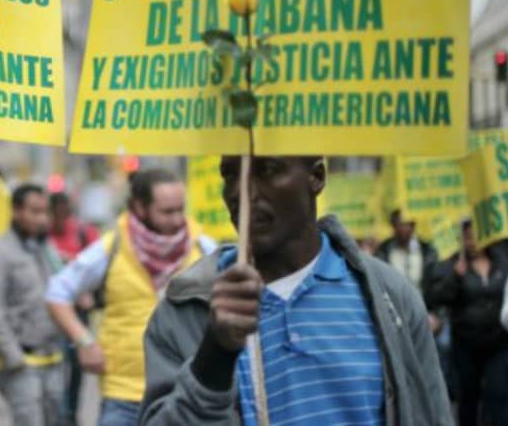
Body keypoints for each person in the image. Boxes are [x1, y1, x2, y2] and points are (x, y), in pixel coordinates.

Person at [140, 156, 451, 425]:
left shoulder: (390, 298)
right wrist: (214, 358)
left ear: (316, 177)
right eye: (230, 173)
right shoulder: (185, 311)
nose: (240, 191)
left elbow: (433, 415)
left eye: (267, 170)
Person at [45, 169, 204, 426]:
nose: (177, 220)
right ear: (140, 207)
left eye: (180, 209)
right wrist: (85, 341)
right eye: (167, 211)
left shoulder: (202, 248)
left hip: (186, 392)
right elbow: (56, 292)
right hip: (123, 393)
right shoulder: (111, 247)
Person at [0, 184, 64, 426]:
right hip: (22, 363)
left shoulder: (45, 250)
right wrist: (13, 357)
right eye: (35, 211)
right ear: (16, 211)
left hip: (52, 358)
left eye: (45, 212)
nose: (43, 219)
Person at [426, 220, 508, 426]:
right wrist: (455, 276)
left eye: (475, 236)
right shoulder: (453, 264)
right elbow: (435, 298)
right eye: (467, 237)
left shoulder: (502, 260)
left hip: (498, 343)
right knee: (468, 397)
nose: (471, 242)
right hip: (466, 345)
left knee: (498, 393)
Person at [47, 191, 98, 425]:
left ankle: (71, 415)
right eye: (53, 215)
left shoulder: (83, 233)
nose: (58, 220)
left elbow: (98, 270)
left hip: (79, 310)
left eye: (62, 215)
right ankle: (59, 413)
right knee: (57, 364)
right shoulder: (43, 237)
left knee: (77, 365)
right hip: (53, 311)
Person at [375, 209, 439, 292]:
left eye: (406, 224)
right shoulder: (383, 251)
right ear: (393, 226)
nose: (403, 228)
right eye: (399, 224)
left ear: (413, 226)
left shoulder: (428, 251)